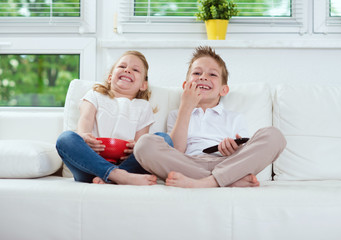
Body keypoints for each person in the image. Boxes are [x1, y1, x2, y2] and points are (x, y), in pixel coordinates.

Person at [133, 46, 287, 188]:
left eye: (212, 74)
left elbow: (244, 156)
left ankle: (208, 182)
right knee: (144, 144)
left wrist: (233, 150)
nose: (203, 77)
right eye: (197, 73)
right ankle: (227, 181)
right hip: (187, 164)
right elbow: (177, 150)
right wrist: (186, 107)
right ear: (185, 86)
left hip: (226, 163)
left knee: (274, 135)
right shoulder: (177, 114)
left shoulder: (235, 117)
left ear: (223, 90)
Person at [56, 50, 172, 185]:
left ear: (143, 85)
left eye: (135, 69)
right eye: (122, 67)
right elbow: (85, 119)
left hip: (127, 166)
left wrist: (135, 147)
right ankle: (115, 175)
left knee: (164, 139)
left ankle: (112, 176)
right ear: (110, 77)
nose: (127, 70)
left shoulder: (143, 106)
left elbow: (142, 142)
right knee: (65, 139)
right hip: (90, 166)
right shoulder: (95, 95)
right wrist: (84, 136)